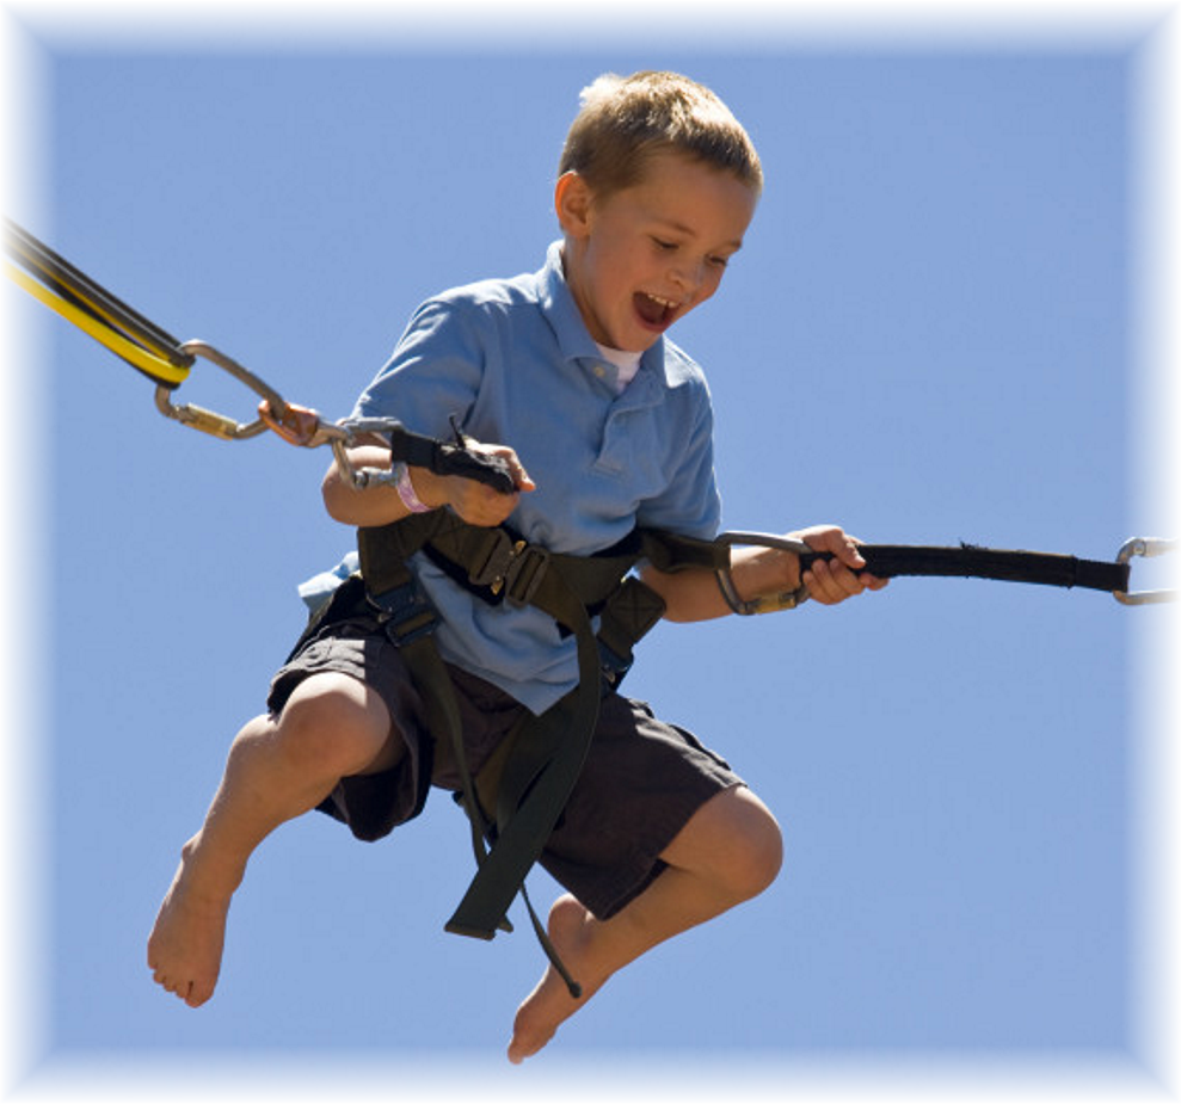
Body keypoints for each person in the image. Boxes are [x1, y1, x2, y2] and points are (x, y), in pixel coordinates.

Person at [147, 70, 886, 1064]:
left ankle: (590, 949)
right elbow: (346, 489)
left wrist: (789, 575)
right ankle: (214, 863)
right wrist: (438, 489)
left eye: (718, 260)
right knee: (324, 725)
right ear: (576, 207)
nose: (688, 282)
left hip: (543, 691)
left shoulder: (678, 403)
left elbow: (673, 581)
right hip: (408, 635)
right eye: (667, 245)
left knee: (746, 851)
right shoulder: (477, 325)